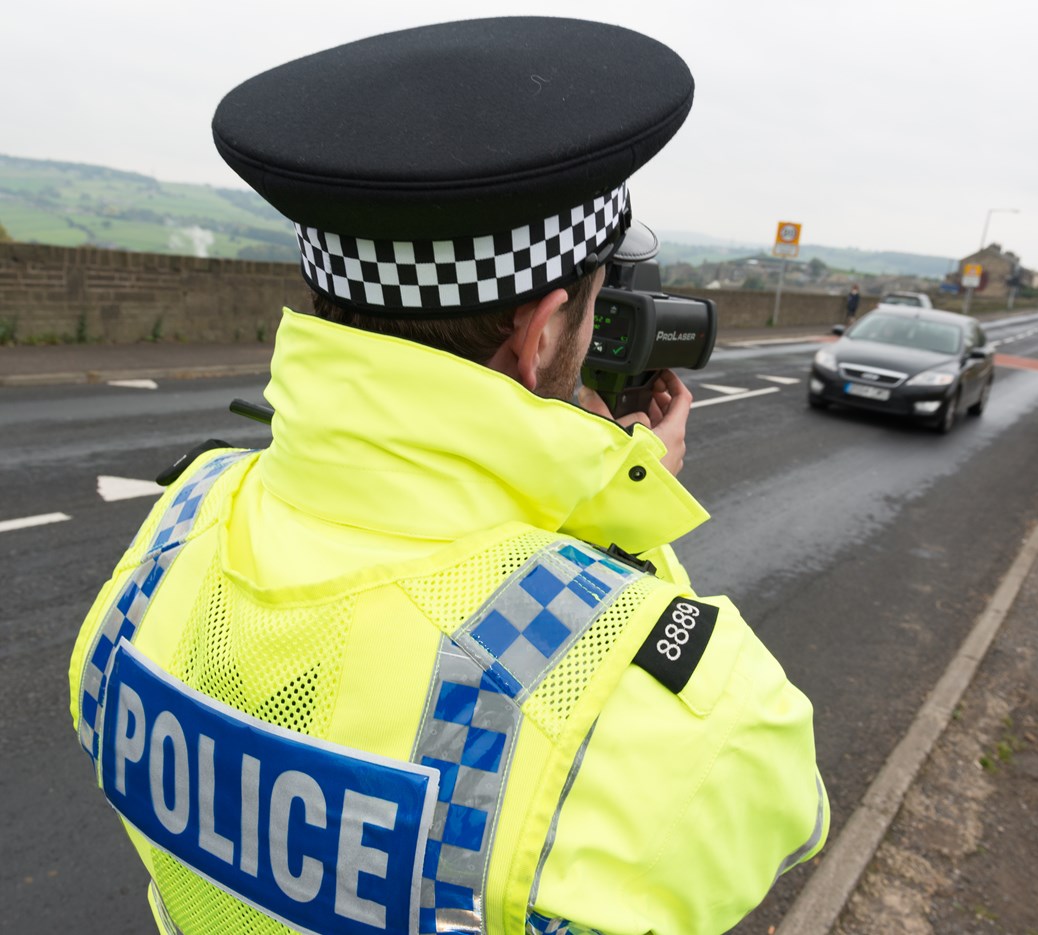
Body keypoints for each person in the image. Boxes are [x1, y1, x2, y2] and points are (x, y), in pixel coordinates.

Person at [68, 18, 828, 935]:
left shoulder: (172, 536)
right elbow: (782, 812)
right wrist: (614, 525)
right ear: (543, 331)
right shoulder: (656, 692)